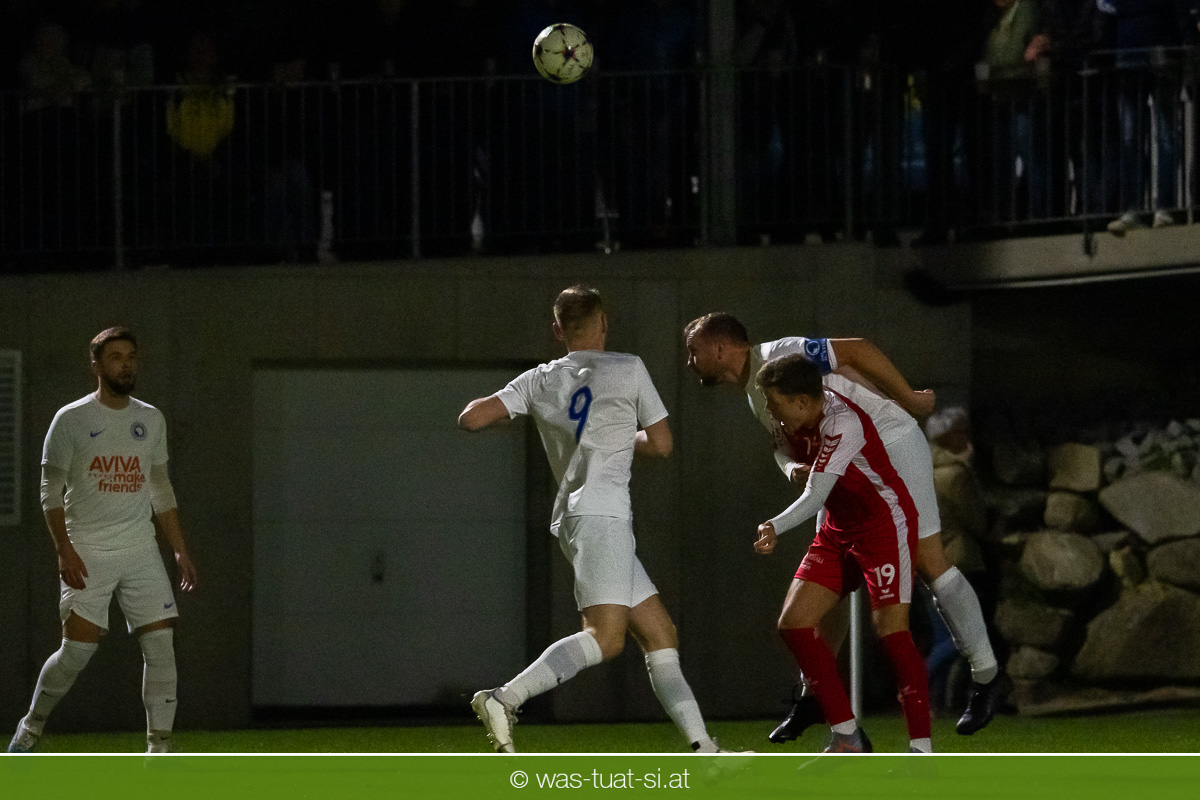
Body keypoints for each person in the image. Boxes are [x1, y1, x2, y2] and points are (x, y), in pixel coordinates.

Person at [682, 312, 1009, 740]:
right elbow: (782, 447)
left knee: (929, 561)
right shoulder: (755, 392)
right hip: (841, 468)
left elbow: (857, 350)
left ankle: (986, 677)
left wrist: (908, 399)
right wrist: (792, 469)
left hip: (889, 444)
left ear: (720, 347)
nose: (689, 361)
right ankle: (815, 696)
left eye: (693, 351)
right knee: (829, 580)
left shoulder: (783, 354)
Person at [459, 285, 730, 754]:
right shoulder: (629, 367)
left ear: (558, 329)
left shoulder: (538, 380)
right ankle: (504, 698)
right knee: (605, 639)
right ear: (604, 323)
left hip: (576, 517)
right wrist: (620, 438)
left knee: (660, 634)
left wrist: (523, 417)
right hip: (602, 515)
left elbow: (471, 418)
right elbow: (662, 444)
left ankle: (703, 749)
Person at [8, 327, 198, 754]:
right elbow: (49, 491)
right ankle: (31, 726)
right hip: (87, 550)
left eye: (131, 357)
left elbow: (160, 486)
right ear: (95, 365)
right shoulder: (71, 419)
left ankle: (159, 749)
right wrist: (63, 549)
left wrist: (179, 549)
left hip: (140, 549)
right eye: (115, 357)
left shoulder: (151, 419)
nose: (125, 365)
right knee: (76, 651)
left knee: (161, 646)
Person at [753, 353, 931, 752]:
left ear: (802, 401)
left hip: (883, 527)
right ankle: (848, 738)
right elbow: (781, 450)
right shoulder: (790, 417)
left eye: (774, 402)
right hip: (838, 530)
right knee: (794, 624)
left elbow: (817, 494)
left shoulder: (842, 422)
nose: (769, 410)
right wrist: (789, 468)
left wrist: (774, 525)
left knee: (892, 633)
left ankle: (922, 752)